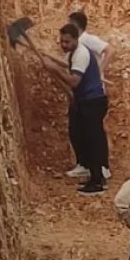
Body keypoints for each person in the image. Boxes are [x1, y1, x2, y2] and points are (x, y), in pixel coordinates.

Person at [37, 24, 111, 196]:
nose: (63, 44)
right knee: (82, 136)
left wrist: (55, 69)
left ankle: (98, 181)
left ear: (76, 39)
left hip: (93, 101)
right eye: (61, 41)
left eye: (67, 41)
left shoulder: (81, 55)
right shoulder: (73, 53)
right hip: (85, 100)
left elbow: (74, 82)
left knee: (93, 140)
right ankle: (92, 174)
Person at [65, 11, 113, 181]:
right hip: (81, 95)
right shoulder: (73, 45)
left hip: (92, 94)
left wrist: (99, 71)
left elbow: (109, 49)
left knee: (94, 133)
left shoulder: (86, 40)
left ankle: (102, 167)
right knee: (77, 130)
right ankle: (84, 164)